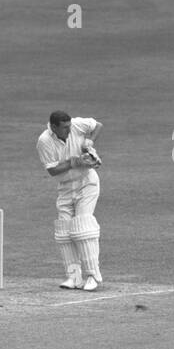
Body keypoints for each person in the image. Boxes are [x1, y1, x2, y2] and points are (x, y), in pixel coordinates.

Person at [35, 110, 104, 290]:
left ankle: (92, 276)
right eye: (64, 128)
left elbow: (97, 125)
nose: (68, 130)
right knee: (64, 233)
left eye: (69, 126)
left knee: (83, 226)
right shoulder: (44, 141)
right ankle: (74, 277)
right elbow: (52, 170)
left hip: (86, 183)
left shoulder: (77, 124)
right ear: (54, 127)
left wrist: (90, 141)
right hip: (65, 187)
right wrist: (74, 162)